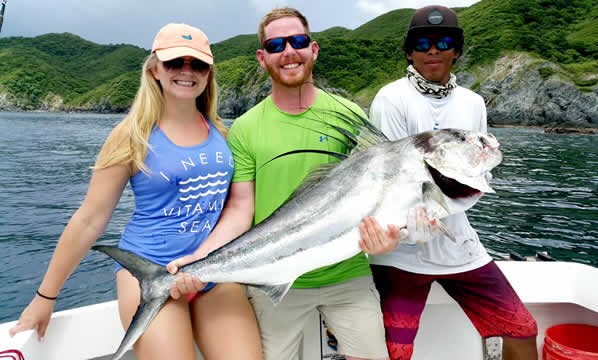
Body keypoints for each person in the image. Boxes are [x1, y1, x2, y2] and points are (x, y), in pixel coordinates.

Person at [8, 23, 262, 360]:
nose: (187, 72)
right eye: (175, 63)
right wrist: (45, 296)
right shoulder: (132, 135)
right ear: (155, 69)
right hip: (148, 272)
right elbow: (90, 219)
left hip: (211, 271)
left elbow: (238, 207)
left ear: (208, 73)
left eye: (197, 64)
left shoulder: (221, 133)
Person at [166, 7, 398, 360]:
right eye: (276, 45)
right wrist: (199, 259)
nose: (289, 51)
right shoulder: (245, 128)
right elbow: (242, 208)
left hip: (348, 276)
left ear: (314, 49)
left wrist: (390, 235)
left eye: (298, 41)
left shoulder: (351, 116)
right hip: (273, 278)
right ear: (263, 58)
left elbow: (381, 191)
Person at [368, 5, 539, 360]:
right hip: (401, 253)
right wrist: (412, 221)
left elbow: (478, 170)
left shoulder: (473, 103)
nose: (434, 50)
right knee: (394, 352)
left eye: (444, 42)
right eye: (423, 43)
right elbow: (390, 177)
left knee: (522, 330)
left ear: (456, 50)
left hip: (460, 246)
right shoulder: (391, 98)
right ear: (409, 51)